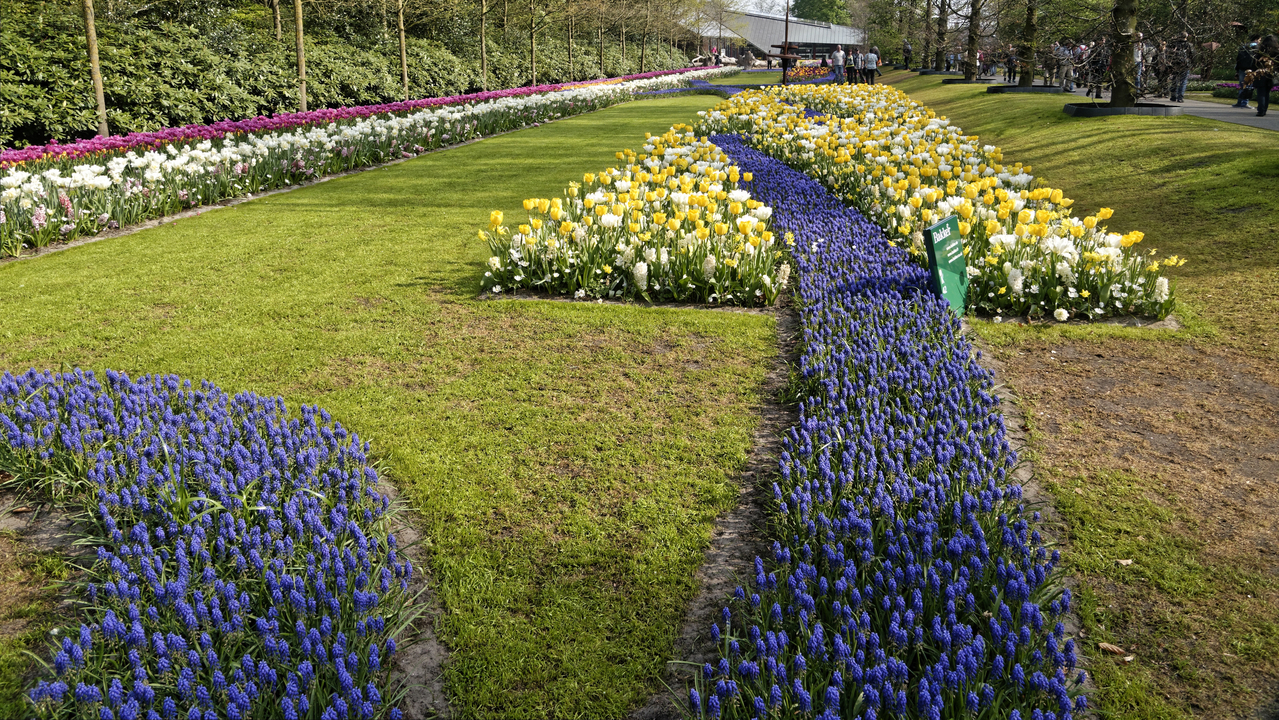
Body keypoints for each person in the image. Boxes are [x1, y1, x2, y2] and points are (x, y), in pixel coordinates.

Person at [1248, 35, 1276, 116]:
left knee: (1261, 93)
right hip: (1270, 75)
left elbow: (1254, 63)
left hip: (1260, 74)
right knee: (1266, 93)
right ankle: (1264, 109)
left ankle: (1261, 110)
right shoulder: (1275, 53)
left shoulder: (1260, 52)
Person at [1169, 32, 1193, 102]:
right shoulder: (1189, 45)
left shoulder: (1174, 44)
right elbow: (1192, 55)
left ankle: (1173, 96)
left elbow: (1169, 54)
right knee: (1183, 81)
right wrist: (1192, 64)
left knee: (1174, 80)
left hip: (1175, 65)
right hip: (1185, 65)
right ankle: (1180, 97)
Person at [1235, 37, 1258, 108]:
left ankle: (1239, 102)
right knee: (1248, 86)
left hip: (1242, 68)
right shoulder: (1255, 47)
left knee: (1242, 86)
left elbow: (1238, 59)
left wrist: (1237, 70)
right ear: (1256, 40)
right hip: (1250, 69)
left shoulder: (1243, 47)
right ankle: (1244, 103)